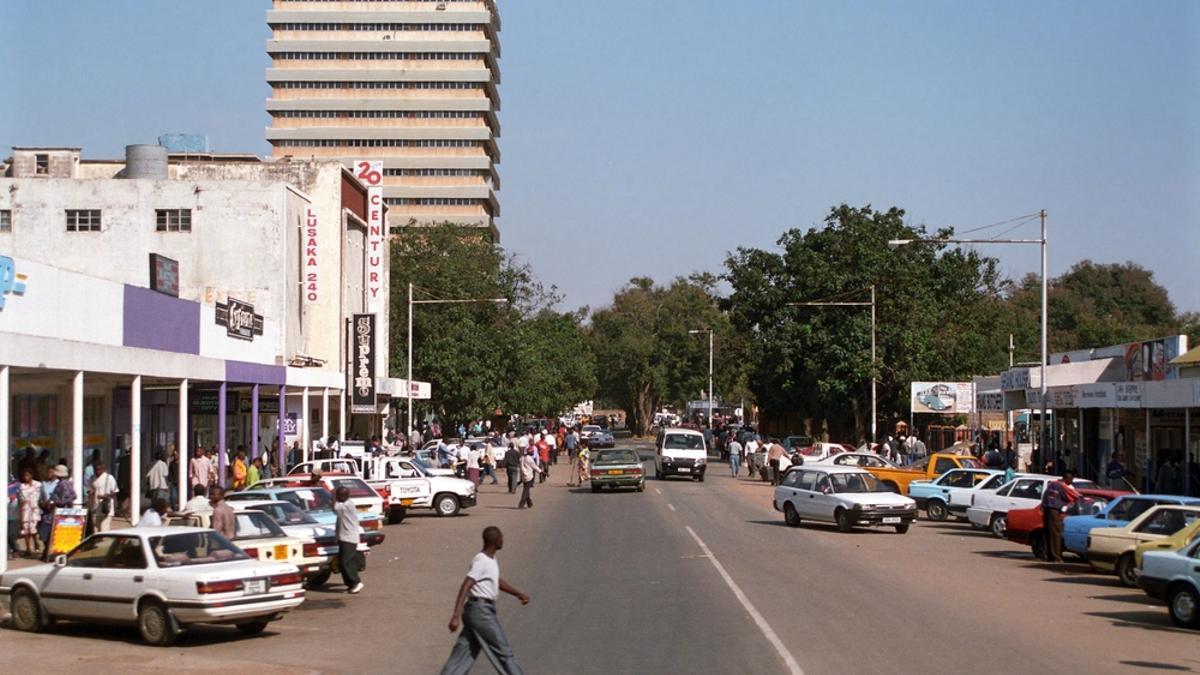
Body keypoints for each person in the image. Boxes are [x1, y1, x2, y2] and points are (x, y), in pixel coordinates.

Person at [439, 526, 529, 675]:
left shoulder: (490, 559)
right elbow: (466, 584)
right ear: (495, 541)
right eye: (501, 537)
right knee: (504, 652)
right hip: (481, 612)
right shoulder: (481, 560)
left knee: (464, 652)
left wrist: (518, 593)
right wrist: (455, 615)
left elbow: (496, 581)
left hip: (478, 611)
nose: (503, 540)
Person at [1040, 470, 1079, 563]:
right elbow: (1075, 496)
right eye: (1071, 479)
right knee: (1056, 534)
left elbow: (1045, 497)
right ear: (1067, 478)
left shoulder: (1052, 485)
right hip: (1055, 511)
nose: (1072, 482)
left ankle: (1046, 555)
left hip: (1046, 510)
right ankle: (1057, 557)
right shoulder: (1062, 486)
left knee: (1048, 533)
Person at [38, 465, 75, 561]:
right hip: (52, 512)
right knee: (45, 532)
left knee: (46, 531)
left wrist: (54, 502)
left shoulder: (64, 484)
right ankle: (48, 552)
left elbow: (66, 498)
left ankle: (50, 552)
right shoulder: (61, 483)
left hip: (57, 512)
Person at [334, 486, 364, 594]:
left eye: (339, 495)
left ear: (346, 496)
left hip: (349, 538)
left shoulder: (348, 505)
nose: (338, 497)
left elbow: (334, 508)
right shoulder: (343, 504)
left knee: (346, 562)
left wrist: (332, 495)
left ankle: (356, 581)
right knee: (341, 563)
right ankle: (350, 585)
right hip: (343, 537)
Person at [18, 470, 42, 558]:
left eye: (27, 475)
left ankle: (36, 542)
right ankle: (28, 549)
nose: (26, 477)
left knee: (33, 529)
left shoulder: (38, 485)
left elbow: (40, 496)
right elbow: (20, 498)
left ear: (31, 475)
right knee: (25, 530)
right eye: (24, 476)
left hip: (34, 510)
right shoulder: (22, 486)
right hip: (25, 510)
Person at [90, 462, 119, 533]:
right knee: (95, 530)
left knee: (104, 529)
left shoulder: (109, 478)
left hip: (106, 508)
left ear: (103, 469)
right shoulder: (93, 478)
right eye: (95, 470)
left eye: (99, 470)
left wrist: (106, 496)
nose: (97, 472)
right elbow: (91, 491)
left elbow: (115, 491)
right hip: (95, 508)